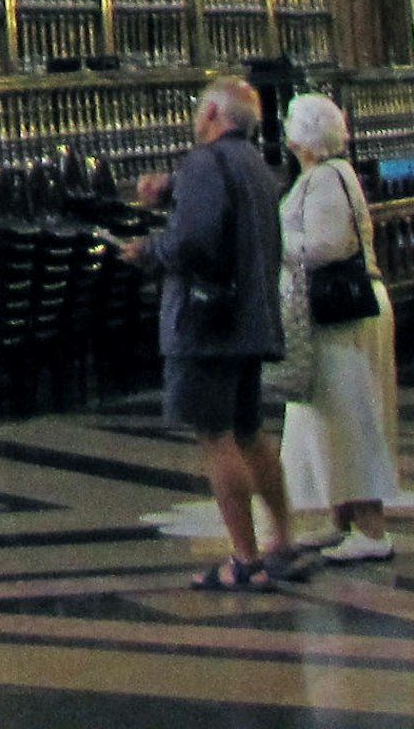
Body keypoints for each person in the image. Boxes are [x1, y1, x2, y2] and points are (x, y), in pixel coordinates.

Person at [125, 75, 303, 590]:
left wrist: (149, 251)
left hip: (208, 324)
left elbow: (195, 240)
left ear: (210, 116)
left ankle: (245, 559)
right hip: (248, 320)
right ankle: (283, 542)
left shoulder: (205, 162)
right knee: (250, 431)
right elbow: (223, 212)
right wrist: (170, 189)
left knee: (215, 435)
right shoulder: (255, 164)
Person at [277, 93, 400, 563]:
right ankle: (340, 519)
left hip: (342, 313)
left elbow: (328, 246)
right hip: (334, 314)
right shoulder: (322, 175)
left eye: (291, 122)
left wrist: (276, 243)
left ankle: (371, 531)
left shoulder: (327, 178)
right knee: (327, 418)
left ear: (305, 135)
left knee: (351, 417)